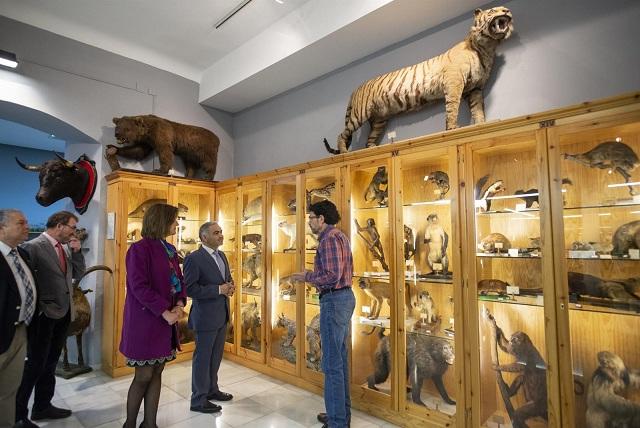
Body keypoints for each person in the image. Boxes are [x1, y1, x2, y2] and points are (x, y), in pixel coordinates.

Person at [119, 204, 187, 428]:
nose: (177, 224)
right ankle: (129, 423)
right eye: (174, 220)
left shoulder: (169, 249)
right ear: (161, 220)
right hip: (145, 322)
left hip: (166, 322)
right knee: (143, 376)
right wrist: (164, 311)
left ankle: (150, 424)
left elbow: (179, 281)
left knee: (158, 371)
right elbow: (138, 287)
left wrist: (178, 303)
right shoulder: (139, 249)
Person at [16, 210, 85, 425]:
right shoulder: (33, 247)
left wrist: (77, 252)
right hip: (43, 316)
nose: (75, 232)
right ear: (59, 225)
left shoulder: (64, 248)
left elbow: (77, 274)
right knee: (35, 365)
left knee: (51, 363)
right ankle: (18, 416)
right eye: (72, 227)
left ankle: (42, 406)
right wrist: (39, 309)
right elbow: (26, 282)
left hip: (63, 314)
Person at [292, 200, 355, 428]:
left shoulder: (328, 239)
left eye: (311, 217)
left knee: (331, 364)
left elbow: (332, 275)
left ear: (322, 219)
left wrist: (307, 276)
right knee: (339, 361)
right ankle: (340, 415)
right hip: (343, 299)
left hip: (334, 300)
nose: (308, 221)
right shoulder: (340, 236)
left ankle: (338, 422)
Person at [184, 221, 235, 414]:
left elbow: (225, 280)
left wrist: (230, 286)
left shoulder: (222, 255)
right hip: (205, 317)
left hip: (222, 315)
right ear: (204, 237)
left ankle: (212, 390)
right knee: (202, 359)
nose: (221, 235)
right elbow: (189, 289)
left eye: (221, 232)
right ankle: (198, 399)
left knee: (215, 357)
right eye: (216, 233)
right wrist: (218, 289)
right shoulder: (194, 259)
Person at [0, 210, 38, 428]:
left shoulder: (21, 254)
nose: (27, 226)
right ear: (1, 228)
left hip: (20, 331)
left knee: (9, 389)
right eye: (20, 223)